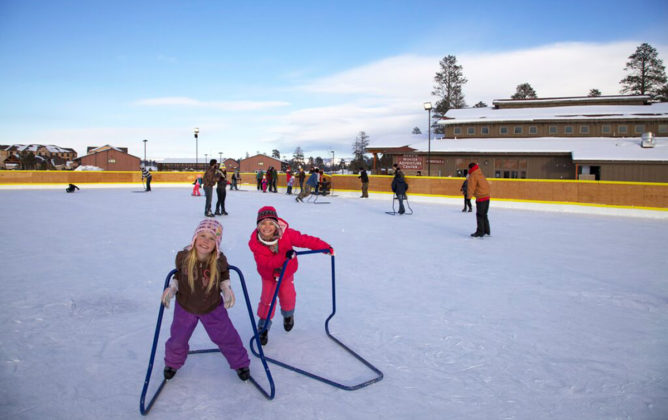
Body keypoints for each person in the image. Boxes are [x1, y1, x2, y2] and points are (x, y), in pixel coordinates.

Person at [160, 219, 250, 381]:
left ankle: (240, 363)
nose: (205, 241)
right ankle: (172, 363)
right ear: (195, 238)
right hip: (185, 306)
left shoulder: (219, 260)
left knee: (226, 336)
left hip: (212, 307)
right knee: (178, 338)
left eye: (211, 239)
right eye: (202, 235)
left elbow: (224, 276)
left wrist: (226, 289)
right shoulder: (183, 257)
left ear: (216, 244)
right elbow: (179, 275)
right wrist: (172, 288)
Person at [248, 206, 333, 345]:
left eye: (271, 223)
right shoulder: (255, 244)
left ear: (276, 224)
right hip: (269, 276)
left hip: (286, 273)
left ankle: (288, 315)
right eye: (263, 223)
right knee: (267, 300)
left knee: (288, 296)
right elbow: (266, 262)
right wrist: (284, 257)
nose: (267, 227)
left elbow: (305, 240)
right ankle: (263, 327)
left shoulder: (286, 234)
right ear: (258, 226)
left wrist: (324, 247)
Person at [467, 162, 491, 237]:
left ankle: (480, 232)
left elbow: (471, 187)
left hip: (481, 198)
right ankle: (486, 231)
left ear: (470, 168)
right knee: (484, 215)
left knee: (480, 215)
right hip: (487, 197)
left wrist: (468, 198)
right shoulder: (480, 173)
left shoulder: (473, 175)